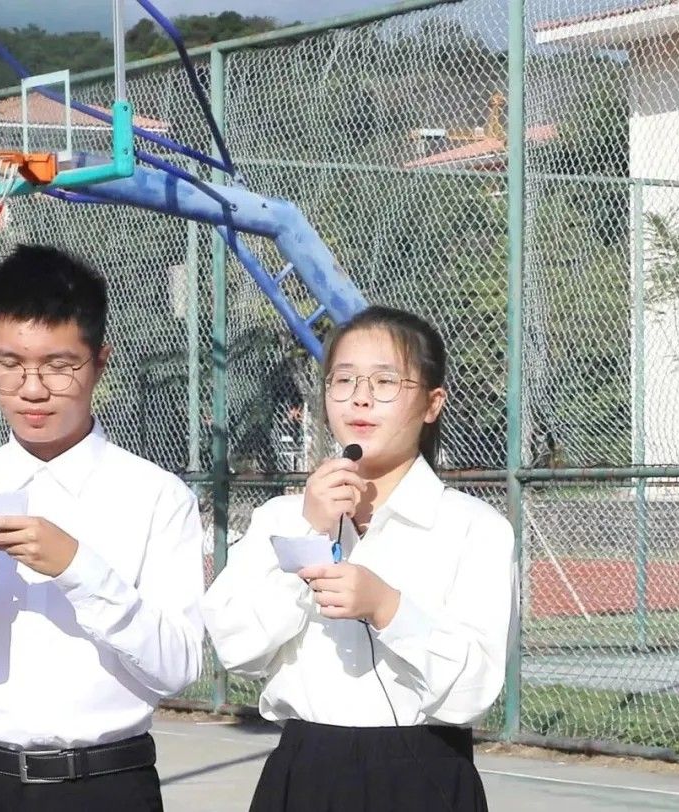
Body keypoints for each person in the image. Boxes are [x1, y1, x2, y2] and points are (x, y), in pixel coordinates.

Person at [0, 244, 204, 812]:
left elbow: (176, 669)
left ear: (99, 361)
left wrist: (79, 568)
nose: (32, 389)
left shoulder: (157, 496)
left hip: (109, 784)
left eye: (59, 365)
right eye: (9, 364)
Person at [202, 305, 517, 812]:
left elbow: (474, 690)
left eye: (385, 381)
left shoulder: (473, 527)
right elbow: (237, 647)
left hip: (425, 774)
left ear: (432, 403)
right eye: (343, 380)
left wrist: (388, 608)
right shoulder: (282, 516)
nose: (360, 397)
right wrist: (311, 528)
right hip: (304, 773)